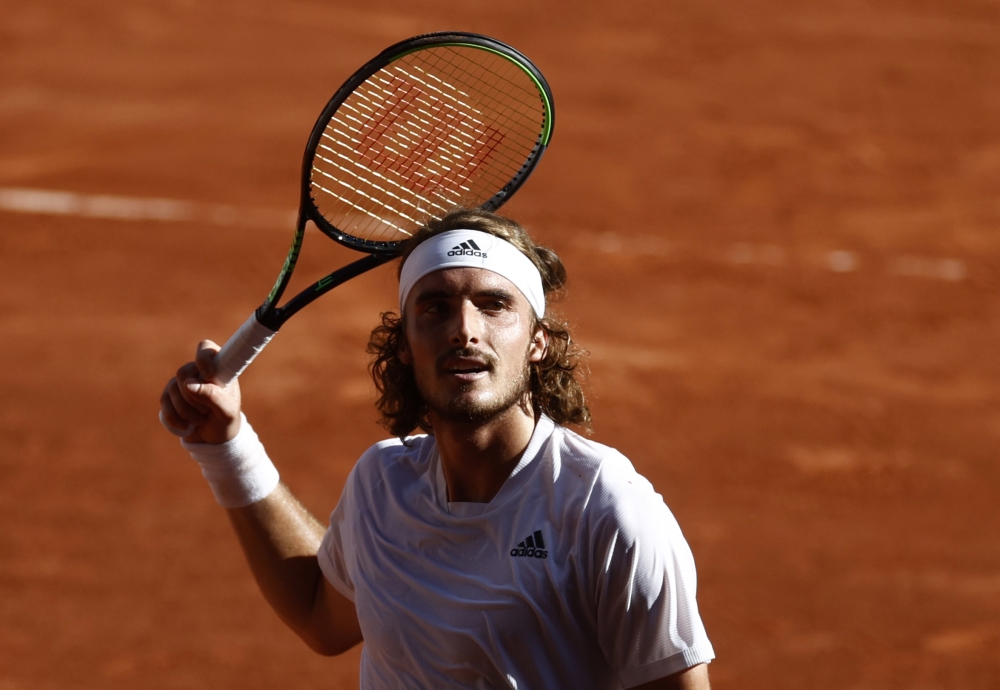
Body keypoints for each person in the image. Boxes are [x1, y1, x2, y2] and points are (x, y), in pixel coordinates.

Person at [159, 209, 715, 689]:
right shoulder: (382, 485)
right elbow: (318, 614)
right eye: (436, 307)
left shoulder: (605, 509)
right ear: (404, 344)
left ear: (538, 341)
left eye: (494, 304)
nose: (464, 330)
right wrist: (227, 447)